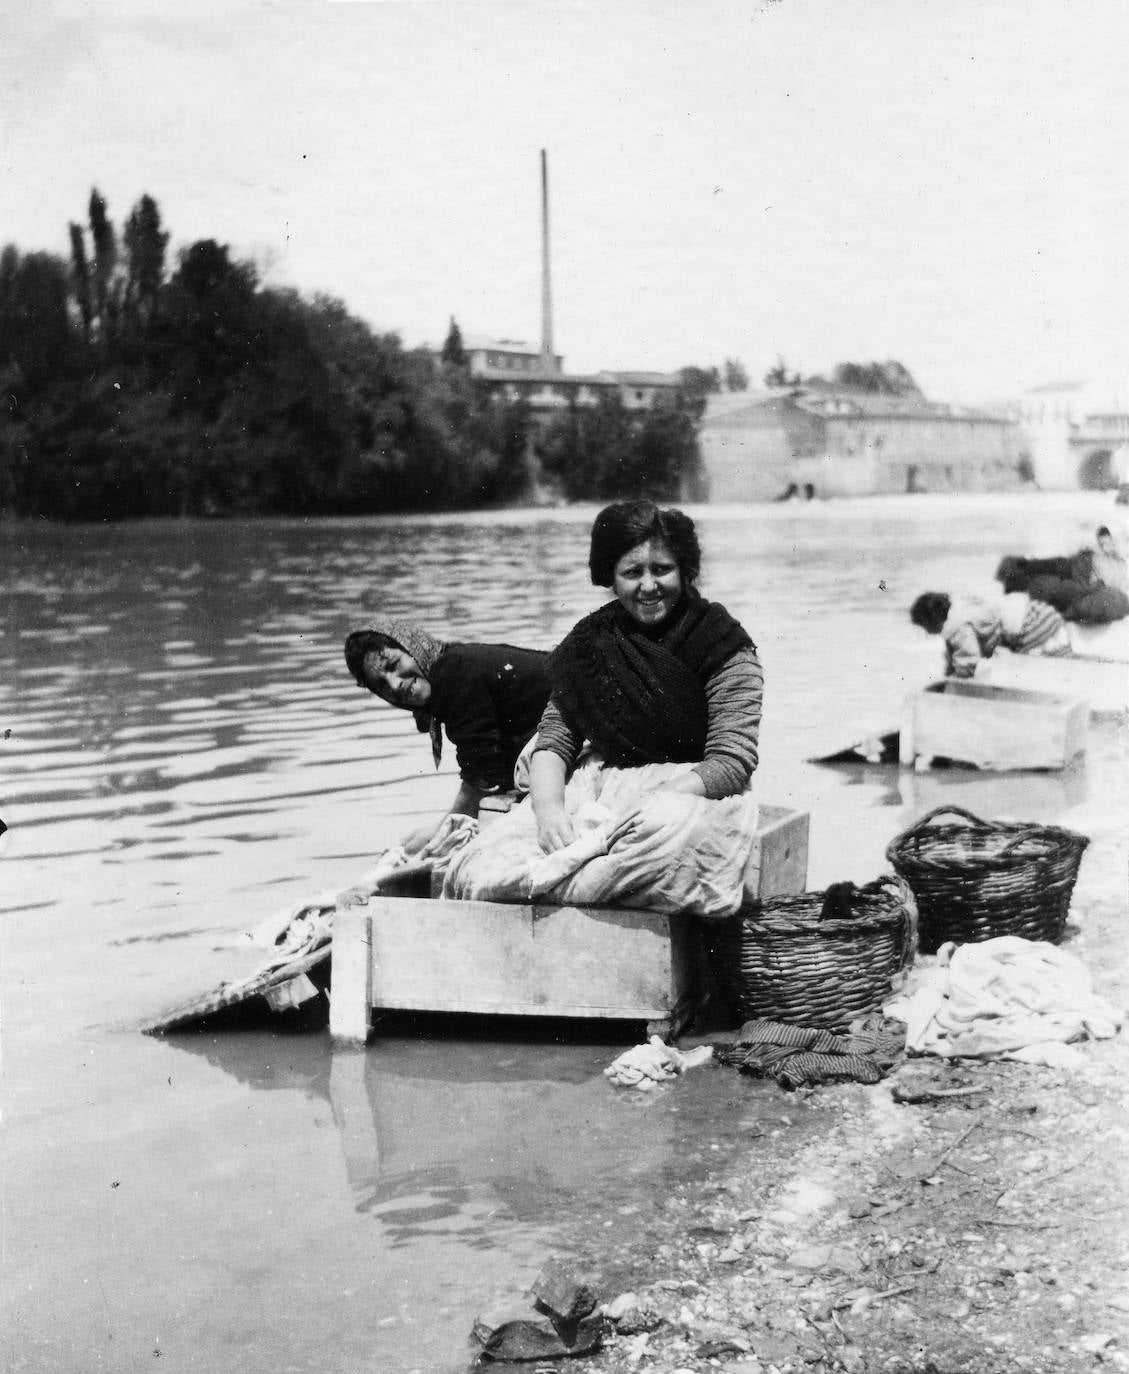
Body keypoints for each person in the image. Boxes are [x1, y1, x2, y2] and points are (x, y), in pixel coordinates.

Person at [441, 501, 764, 918]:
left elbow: (732, 760)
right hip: (598, 789)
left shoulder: (723, 644)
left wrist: (653, 802)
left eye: (662, 569)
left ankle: (551, 883)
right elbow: (555, 741)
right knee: (473, 865)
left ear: (684, 570)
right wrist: (550, 812)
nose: (649, 586)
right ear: (611, 578)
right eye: (632, 573)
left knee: (671, 839)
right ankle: (589, 880)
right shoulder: (591, 643)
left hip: (688, 794)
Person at [344, 619, 551, 853]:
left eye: (393, 665)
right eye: (380, 685)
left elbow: (481, 778)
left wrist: (441, 829)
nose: (394, 685)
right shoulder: (451, 666)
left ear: (413, 647)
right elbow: (485, 768)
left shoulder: (455, 672)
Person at [910, 590, 1070, 679]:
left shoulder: (955, 627)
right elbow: (953, 654)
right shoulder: (958, 609)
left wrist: (955, 683)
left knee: (1034, 675)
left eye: (924, 627)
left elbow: (967, 658)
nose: (926, 632)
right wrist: (949, 673)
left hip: (1032, 627)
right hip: (1042, 614)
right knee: (1058, 663)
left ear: (931, 620)